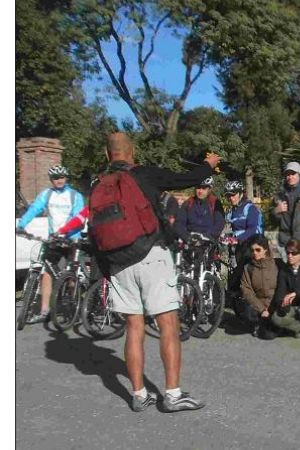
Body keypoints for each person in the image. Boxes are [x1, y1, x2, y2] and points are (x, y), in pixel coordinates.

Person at [93, 132, 218, 412]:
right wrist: (208, 165)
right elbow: (186, 179)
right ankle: (172, 395)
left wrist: (106, 269)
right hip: (151, 254)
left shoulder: (99, 184)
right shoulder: (145, 174)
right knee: (167, 324)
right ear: (133, 151)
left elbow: (95, 231)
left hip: (118, 262)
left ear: (107, 154)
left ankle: (139, 395)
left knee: (133, 327)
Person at [16, 164, 85, 324]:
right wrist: (21, 225)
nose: (58, 180)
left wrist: (65, 232)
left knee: (71, 275)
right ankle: (44, 310)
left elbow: (78, 218)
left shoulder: (75, 196)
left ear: (66, 178)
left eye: (61, 177)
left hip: (72, 239)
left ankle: (72, 305)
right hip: (54, 239)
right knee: (46, 273)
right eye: (55, 178)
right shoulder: (46, 194)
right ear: (51, 179)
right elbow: (34, 209)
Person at [224, 180, 264, 293]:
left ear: (240, 194)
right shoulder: (233, 210)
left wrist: (237, 239)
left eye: (233, 195)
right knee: (236, 271)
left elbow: (252, 229)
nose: (231, 198)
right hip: (239, 246)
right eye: (228, 196)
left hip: (251, 245)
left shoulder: (249, 208)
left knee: (245, 272)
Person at [240, 235, 280, 340]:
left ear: (265, 249)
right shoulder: (248, 267)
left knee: (272, 332)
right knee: (248, 309)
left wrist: (271, 308)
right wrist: (262, 309)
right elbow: (246, 290)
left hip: (274, 304)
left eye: (258, 250)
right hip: (258, 306)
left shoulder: (277, 265)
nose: (255, 253)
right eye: (252, 250)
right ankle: (257, 324)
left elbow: (282, 289)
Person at [174, 176, 225, 242]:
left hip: (208, 240)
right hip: (190, 239)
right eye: (198, 187)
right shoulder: (189, 203)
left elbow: (219, 223)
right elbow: (179, 223)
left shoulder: (215, 203)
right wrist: (186, 236)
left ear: (209, 189)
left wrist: (207, 236)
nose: (200, 191)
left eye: (204, 188)